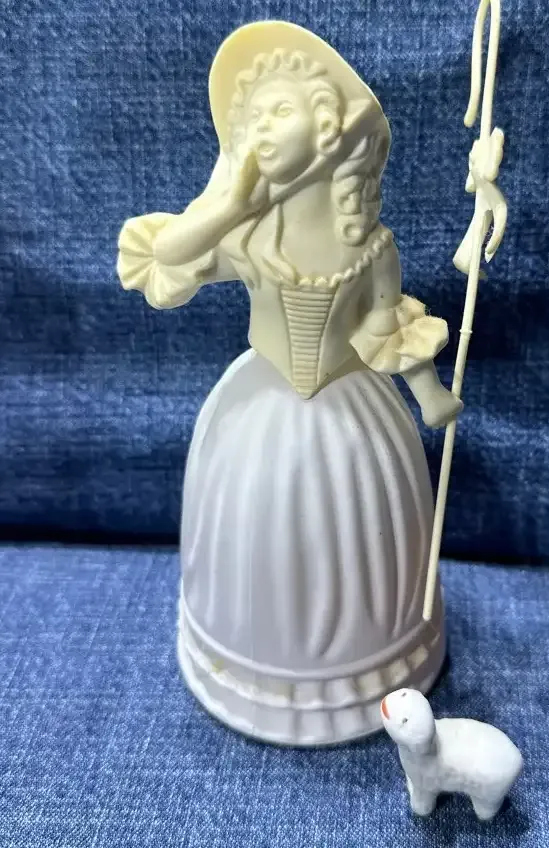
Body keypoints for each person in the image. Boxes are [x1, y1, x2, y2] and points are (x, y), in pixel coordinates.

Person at [117, 21, 462, 746]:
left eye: (282, 111)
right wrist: (227, 203)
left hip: (355, 419)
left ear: (331, 134)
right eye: (254, 117)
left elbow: (388, 329)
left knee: (357, 531)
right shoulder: (248, 237)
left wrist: (430, 395)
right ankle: (251, 671)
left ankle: (370, 664)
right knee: (257, 529)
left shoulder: (370, 247)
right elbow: (163, 261)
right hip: (258, 412)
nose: (262, 129)